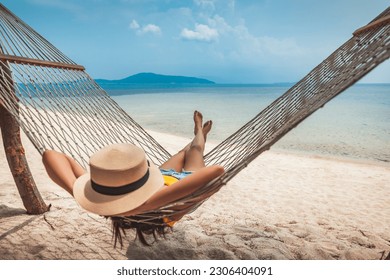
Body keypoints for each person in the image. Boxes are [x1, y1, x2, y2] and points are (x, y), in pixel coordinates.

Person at [42, 111, 225, 246]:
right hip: (182, 183)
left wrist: (78, 194)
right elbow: (217, 171)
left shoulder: (105, 194)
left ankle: (199, 134)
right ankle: (199, 132)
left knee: (183, 152)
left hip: (152, 179)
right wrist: (146, 204)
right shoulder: (152, 203)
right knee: (193, 151)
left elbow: (50, 155)